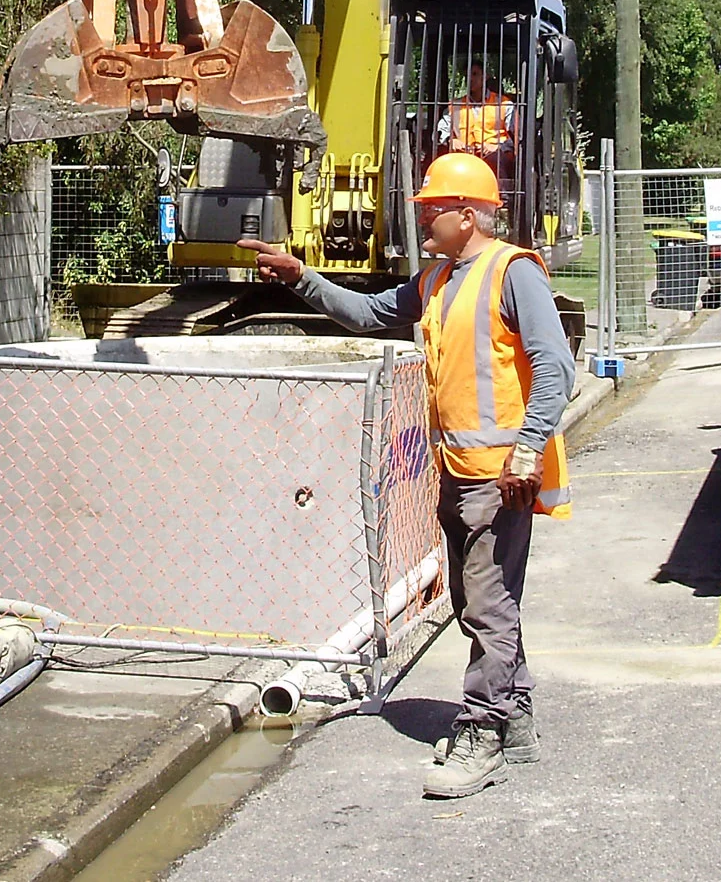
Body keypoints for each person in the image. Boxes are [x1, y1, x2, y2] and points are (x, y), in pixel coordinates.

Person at [238, 152, 573, 800]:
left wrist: (528, 450)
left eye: (432, 208)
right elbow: (367, 314)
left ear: (468, 214)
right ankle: (517, 718)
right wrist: (301, 277)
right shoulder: (437, 280)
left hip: (500, 477)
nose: (421, 214)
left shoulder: (513, 273)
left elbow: (554, 364)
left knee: (487, 608)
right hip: (456, 475)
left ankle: (482, 731)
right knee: (483, 605)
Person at [437, 60, 514, 178]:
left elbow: (516, 136)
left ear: (485, 76)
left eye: (475, 74)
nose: (470, 79)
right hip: (463, 155)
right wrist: (451, 141)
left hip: (494, 155)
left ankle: (502, 196)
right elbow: (440, 132)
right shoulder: (455, 106)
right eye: (467, 75)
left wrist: (498, 146)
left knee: (495, 161)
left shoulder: (504, 104)